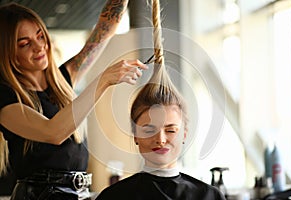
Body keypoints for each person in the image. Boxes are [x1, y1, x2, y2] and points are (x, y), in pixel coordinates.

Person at [0, 0, 148, 199]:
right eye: (25, 44)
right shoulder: (6, 98)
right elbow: (53, 132)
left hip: (78, 193)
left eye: (40, 36)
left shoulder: (63, 80)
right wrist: (102, 81)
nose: (39, 47)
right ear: (8, 53)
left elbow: (105, 30)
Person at [96, 0, 226, 199]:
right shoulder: (114, 197)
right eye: (149, 130)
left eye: (171, 130)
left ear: (184, 134)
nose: (161, 139)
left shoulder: (208, 196)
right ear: (135, 136)